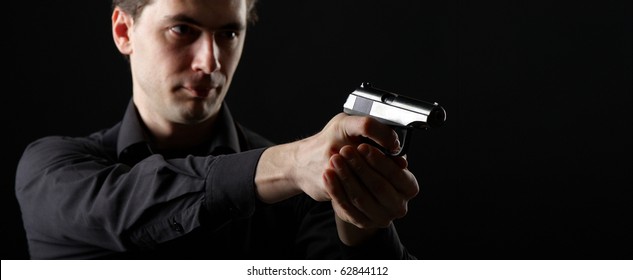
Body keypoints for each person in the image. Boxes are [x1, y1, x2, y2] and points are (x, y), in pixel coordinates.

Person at [15, 0, 420, 260]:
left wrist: (362, 227)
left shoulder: (307, 185)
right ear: (124, 32)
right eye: (182, 30)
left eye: (228, 33)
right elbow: (125, 207)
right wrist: (293, 163)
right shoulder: (54, 169)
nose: (210, 63)